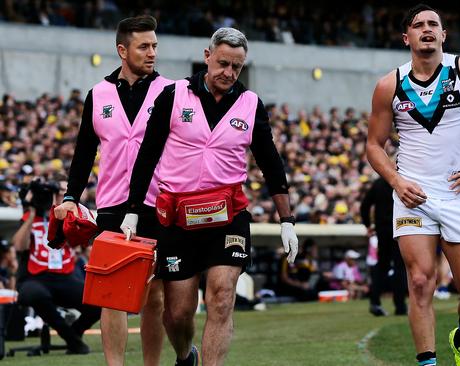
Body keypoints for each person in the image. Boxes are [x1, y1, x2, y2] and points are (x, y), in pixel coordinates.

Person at [121, 27, 298, 366]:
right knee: (177, 314)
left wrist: (286, 220)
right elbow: (147, 156)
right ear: (207, 56)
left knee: (221, 296)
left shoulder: (250, 104)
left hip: (227, 218)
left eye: (236, 67)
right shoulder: (173, 96)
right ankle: (186, 356)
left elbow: (271, 163)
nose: (228, 73)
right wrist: (132, 210)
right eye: (222, 64)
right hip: (177, 221)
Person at [365, 5, 460, 366]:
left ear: (443, 34)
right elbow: (374, 145)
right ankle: (428, 362)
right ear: (406, 37)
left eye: (433, 24)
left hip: (458, 193)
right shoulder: (389, 84)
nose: (427, 29)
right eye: (418, 25)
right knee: (420, 282)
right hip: (412, 196)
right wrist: (395, 180)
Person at [53, 15, 172, 366]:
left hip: (157, 203)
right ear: (123, 50)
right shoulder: (98, 95)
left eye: (154, 46)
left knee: (156, 298)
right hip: (112, 205)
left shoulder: (171, 91)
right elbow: (84, 152)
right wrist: (72, 197)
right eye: (143, 46)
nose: (152, 53)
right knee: (112, 295)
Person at [13, 177, 101, 354]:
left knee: (97, 302)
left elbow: (83, 242)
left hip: (65, 275)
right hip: (36, 277)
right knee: (35, 294)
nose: (59, 195)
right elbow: (19, 246)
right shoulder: (31, 217)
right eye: (57, 192)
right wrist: (31, 214)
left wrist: (62, 210)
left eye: (62, 192)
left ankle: (73, 334)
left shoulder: (70, 215)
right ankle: (73, 341)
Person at [360, 176, 407, 316]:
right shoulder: (402, 180)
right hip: (399, 227)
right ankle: (400, 306)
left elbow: (365, 205)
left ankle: (375, 302)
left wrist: (368, 225)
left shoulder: (378, 183)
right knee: (400, 267)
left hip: (383, 229)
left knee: (383, 265)